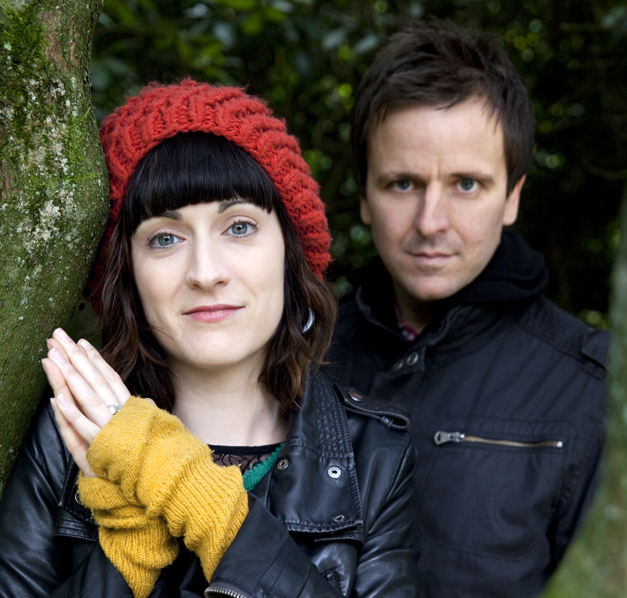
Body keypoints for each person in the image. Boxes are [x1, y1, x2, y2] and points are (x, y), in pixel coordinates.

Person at [0, 81, 417, 598]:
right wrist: (129, 548)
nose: (205, 272)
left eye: (238, 227)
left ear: (289, 250)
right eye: (165, 238)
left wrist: (208, 507)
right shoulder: (63, 435)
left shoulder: (372, 453)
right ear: (126, 272)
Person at [323, 21, 608, 598]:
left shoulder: (595, 390)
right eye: (403, 184)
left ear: (512, 197)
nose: (431, 222)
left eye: (466, 185)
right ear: (364, 195)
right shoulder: (298, 359)